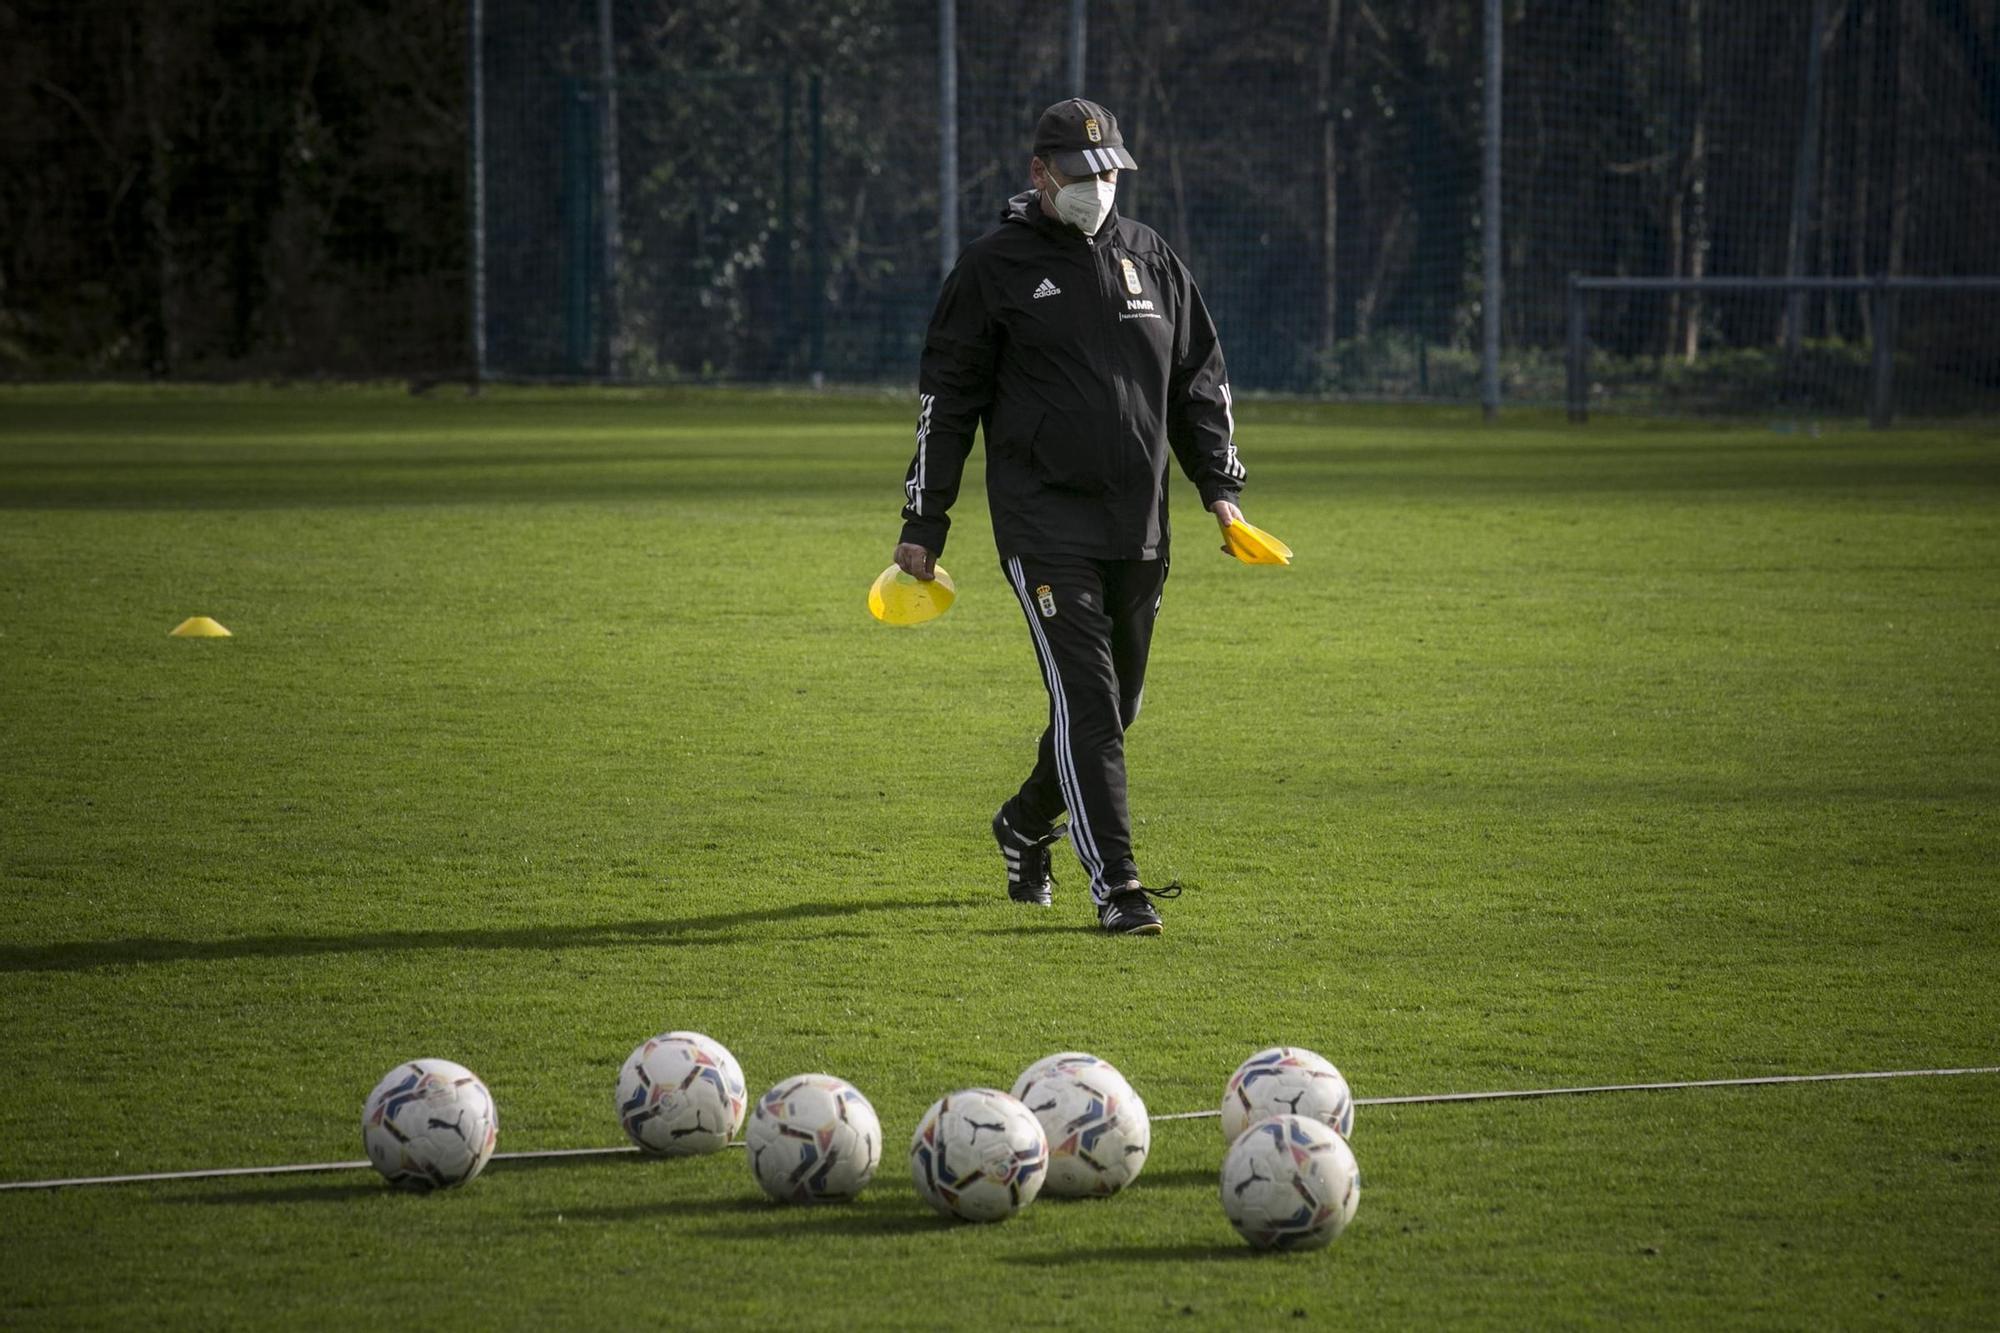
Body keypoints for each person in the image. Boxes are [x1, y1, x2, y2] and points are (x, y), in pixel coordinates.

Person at [891, 97, 1250, 937]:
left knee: (1115, 706)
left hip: (1141, 522)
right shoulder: (992, 269)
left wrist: (1220, 487)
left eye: (1110, 173)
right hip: (1042, 523)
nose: (1100, 189)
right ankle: (1119, 887)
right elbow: (946, 404)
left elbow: (1198, 378)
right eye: (1083, 176)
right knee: (1088, 698)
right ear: (1041, 175)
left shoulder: (1151, 257)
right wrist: (924, 521)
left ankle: (1022, 821)